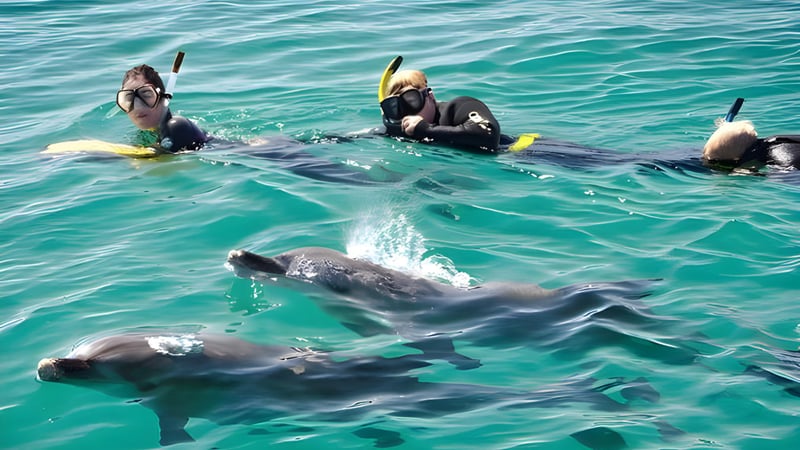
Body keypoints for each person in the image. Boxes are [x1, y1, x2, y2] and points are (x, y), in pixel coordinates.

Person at [379, 68, 507, 152]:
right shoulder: (400, 130)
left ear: (430, 96)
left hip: (516, 155)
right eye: (396, 108)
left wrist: (426, 129)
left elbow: (489, 135)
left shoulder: (459, 107)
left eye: (412, 102)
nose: (408, 115)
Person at [117, 64, 209, 153]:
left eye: (146, 95)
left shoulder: (178, 126)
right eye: (128, 98)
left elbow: (163, 160)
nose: (137, 106)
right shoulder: (152, 131)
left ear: (163, 98)